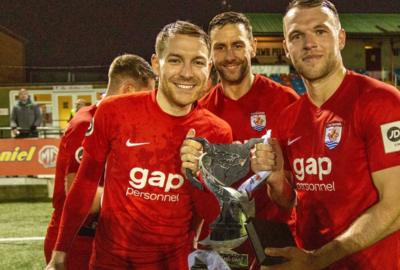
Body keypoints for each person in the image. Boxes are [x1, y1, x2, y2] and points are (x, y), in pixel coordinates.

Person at [46, 21, 232, 270]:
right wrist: (60, 253)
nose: (187, 73)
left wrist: (199, 176)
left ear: (209, 67)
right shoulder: (114, 111)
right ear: (156, 64)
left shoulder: (218, 131)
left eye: (198, 62)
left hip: (173, 263)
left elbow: (213, 215)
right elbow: (84, 183)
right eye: (175, 60)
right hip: (109, 262)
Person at [252, 1, 400, 269]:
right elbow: (291, 200)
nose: (309, 43)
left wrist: (318, 259)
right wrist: (275, 181)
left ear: (340, 38)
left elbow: (399, 207)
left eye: (321, 31)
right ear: (286, 48)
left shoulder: (384, 101)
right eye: (297, 36)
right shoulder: (289, 118)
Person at [184, 11, 299, 269]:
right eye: (220, 48)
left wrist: (276, 179)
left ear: (253, 46)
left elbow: (295, 196)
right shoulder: (199, 112)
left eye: (237, 45)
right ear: (211, 55)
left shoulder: (286, 101)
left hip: (272, 246)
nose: (230, 56)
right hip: (217, 250)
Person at [43, 54, 157, 269]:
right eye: (146, 96)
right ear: (129, 90)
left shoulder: (113, 123)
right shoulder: (86, 124)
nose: (148, 105)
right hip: (77, 240)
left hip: (100, 237)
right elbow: (77, 194)